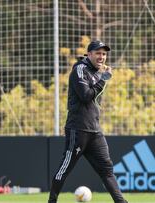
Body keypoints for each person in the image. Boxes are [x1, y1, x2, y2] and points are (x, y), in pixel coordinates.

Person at [48, 40, 128, 203]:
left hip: (95, 131)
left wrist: (101, 77)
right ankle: (52, 201)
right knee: (65, 169)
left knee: (107, 170)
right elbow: (85, 96)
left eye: (104, 54)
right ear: (89, 54)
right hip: (77, 130)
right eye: (98, 53)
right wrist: (103, 79)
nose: (102, 57)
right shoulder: (79, 69)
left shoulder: (98, 72)